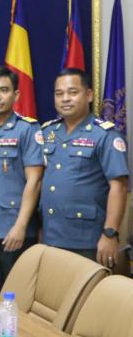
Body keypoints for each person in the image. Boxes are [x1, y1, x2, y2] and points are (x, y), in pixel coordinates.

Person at [39, 68, 129, 266]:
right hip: (51, 236)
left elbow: (119, 186)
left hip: (88, 239)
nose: (65, 99)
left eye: (72, 92)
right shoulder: (47, 132)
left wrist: (110, 233)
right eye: (59, 93)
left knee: (88, 287)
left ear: (89, 95)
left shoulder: (105, 135)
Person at [0, 66, 43, 297]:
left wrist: (20, 226)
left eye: (3, 90)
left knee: (17, 300)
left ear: (16, 95)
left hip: (14, 230)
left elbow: (35, 181)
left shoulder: (27, 129)